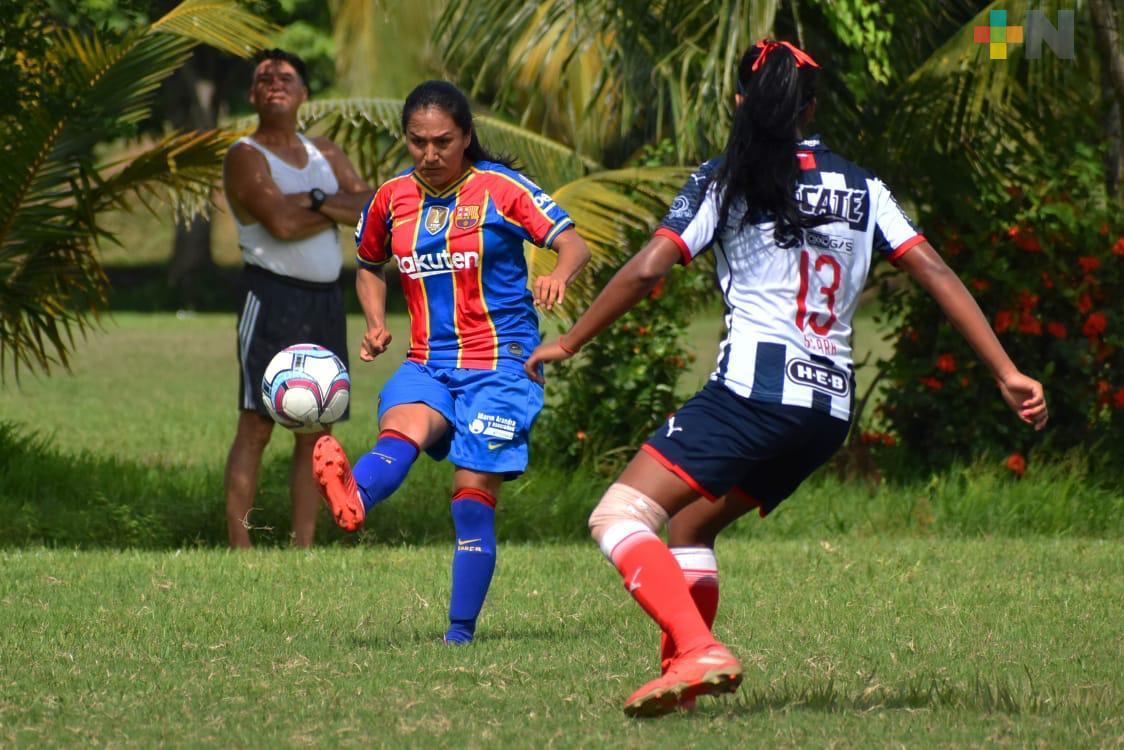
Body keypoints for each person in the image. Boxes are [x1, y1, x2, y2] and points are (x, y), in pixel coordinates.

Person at [525, 39, 1049, 718]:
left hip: (753, 392)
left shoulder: (727, 178)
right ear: (811, 107)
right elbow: (936, 273)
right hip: (827, 411)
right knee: (687, 530)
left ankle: (697, 649)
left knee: (618, 515)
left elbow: (651, 267)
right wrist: (1005, 371)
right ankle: (685, 688)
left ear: (740, 102)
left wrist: (569, 339)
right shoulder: (863, 187)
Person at [313, 80, 592, 644]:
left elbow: (573, 243)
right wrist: (373, 321)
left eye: (443, 141)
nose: (430, 154)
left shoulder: (501, 189)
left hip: (502, 364)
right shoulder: (391, 198)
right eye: (417, 142)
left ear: (466, 136)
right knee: (402, 431)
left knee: (470, 498)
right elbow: (369, 262)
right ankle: (356, 498)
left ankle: (459, 634)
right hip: (429, 359)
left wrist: (558, 275)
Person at [222, 49, 374, 549]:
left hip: (324, 302)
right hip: (271, 297)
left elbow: (370, 208)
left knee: (314, 424)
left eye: (285, 76)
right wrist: (331, 207)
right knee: (257, 423)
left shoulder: (325, 153)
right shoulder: (245, 155)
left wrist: (310, 200)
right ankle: (240, 549)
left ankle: (302, 545)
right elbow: (281, 225)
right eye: (263, 78)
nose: (274, 83)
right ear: (251, 94)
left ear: (304, 92)